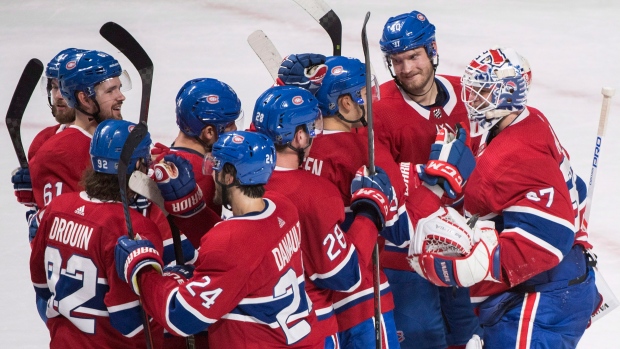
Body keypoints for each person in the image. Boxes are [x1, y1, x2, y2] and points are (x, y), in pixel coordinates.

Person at [410, 47, 599, 348]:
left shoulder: (512, 155)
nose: (471, 99)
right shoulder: (530, 119)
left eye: (482, 91)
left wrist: (480, 264)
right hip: (556, 287)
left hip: (543, 300)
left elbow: (554, 237)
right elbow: (573, 189)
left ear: (507, 95)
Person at [114, 130, 323, 348]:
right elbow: (243, 247)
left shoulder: (232, 244)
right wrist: (191, 209)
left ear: (229, 176)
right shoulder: (282, 208)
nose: (211, 173)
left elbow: (181, 317)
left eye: (215, 167)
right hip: (303, 339)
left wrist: (143, 270)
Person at [370, 10, 483, 348]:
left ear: (432, 49)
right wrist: (427, 176)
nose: (406, 69)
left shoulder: (466, 92)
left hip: (464, 241)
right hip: (404, 251)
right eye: (397, 60)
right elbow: (380, 180)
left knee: (468, 334)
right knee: (423, 338)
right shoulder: (379, 109)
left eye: (413, 56)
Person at [253, 85, 393, 348]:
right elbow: (343, 275)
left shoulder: (242, 185)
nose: (316, 134)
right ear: (299, 138)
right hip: (310, 326)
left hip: (262, 329)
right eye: (310, 128)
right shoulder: (315, 193)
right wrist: (369, 212)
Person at [297, 54, 408, 348]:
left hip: (313, 302)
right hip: (363, 293)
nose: (371, 100)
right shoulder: (364, 148)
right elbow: (401, 231)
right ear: (345, 103)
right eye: (363, 94)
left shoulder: (297, 148)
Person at [30, 119, 164, 348]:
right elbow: (132, 322)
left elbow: (41, 285)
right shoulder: (135, 227)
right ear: (138, 165)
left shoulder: (56, 209)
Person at [29, 49, 130, 209]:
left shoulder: (124, 136)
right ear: (84, 98)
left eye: (118, 88)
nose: (121, 96)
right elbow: (68, 220)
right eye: (110, 91)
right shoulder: (55, 151)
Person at [149, 77, 242, 248]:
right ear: (208, 132)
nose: (235, 129)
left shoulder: (163, 157)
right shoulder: (202, 174)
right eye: (230, 124)